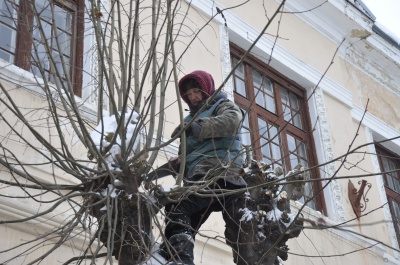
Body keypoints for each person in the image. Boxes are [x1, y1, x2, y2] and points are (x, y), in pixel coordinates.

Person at [162, 70, 247, 265]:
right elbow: (188, 155)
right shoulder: (188, 122)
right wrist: (179, 163)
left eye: (196, 91)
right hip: (200, 176)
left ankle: (181, 261)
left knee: (178, 207)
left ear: (206, 89)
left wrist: (198, 126)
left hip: (221, 173)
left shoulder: (222, 105)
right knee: (181, 219)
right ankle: (172, 255)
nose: (192, 97)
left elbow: (232, 121)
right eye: (188, 94)